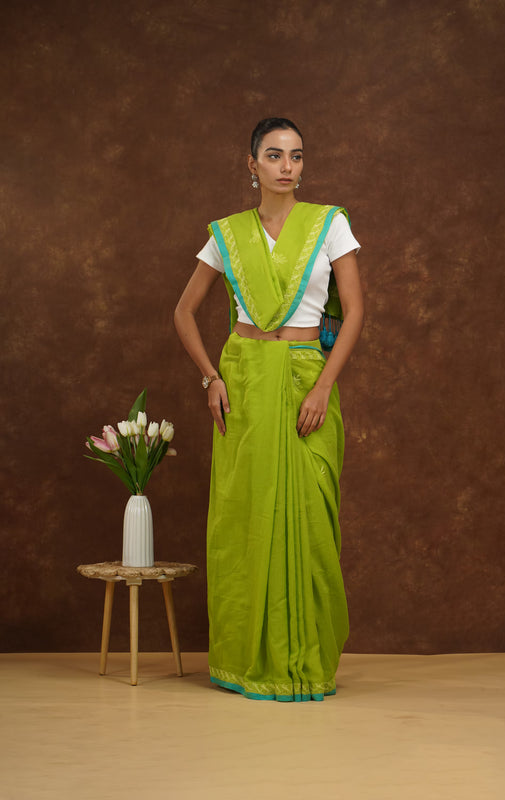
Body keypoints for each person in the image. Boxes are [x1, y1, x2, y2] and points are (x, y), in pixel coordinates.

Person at [174, 117, 364, 701]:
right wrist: (212, 376)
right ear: (250, 164)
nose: (288, 166)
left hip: (307, 372)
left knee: (309, 517)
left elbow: (354, 311)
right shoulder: (227, 235)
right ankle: (245, 659)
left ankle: (305, 660)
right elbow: (183, 312)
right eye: (275, 155)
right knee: (245, 516)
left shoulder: (329, 225)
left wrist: (324, 386)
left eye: (297, 156)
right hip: (247, 382)